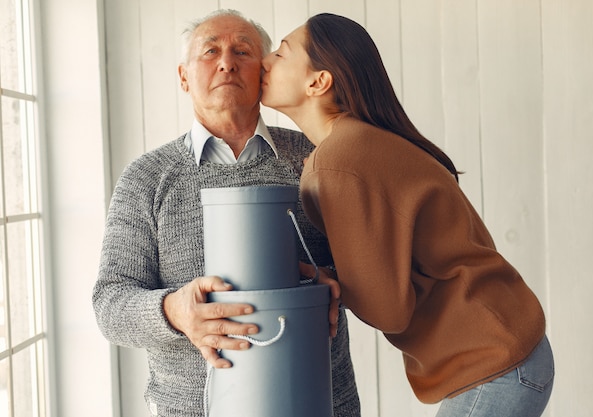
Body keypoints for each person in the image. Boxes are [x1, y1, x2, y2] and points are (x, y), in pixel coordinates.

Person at [260, 12, 554, 417]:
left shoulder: (339, 159)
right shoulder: (355, 146)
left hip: (493, 364)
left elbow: (387, 310)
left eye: (280, 53)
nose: (265, 60)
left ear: (318, 81)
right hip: (503, 352)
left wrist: (318, 282)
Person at [92, 9, 361, 417]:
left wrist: (331, 285)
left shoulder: (318, 157)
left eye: (242, 50)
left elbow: (372, 270)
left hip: (319, 401)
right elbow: (110, 303)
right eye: (210, 50)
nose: (226, 61)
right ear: (183, 77)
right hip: (190, 408)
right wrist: (174, 310)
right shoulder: (147, 178)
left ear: (264, 74)